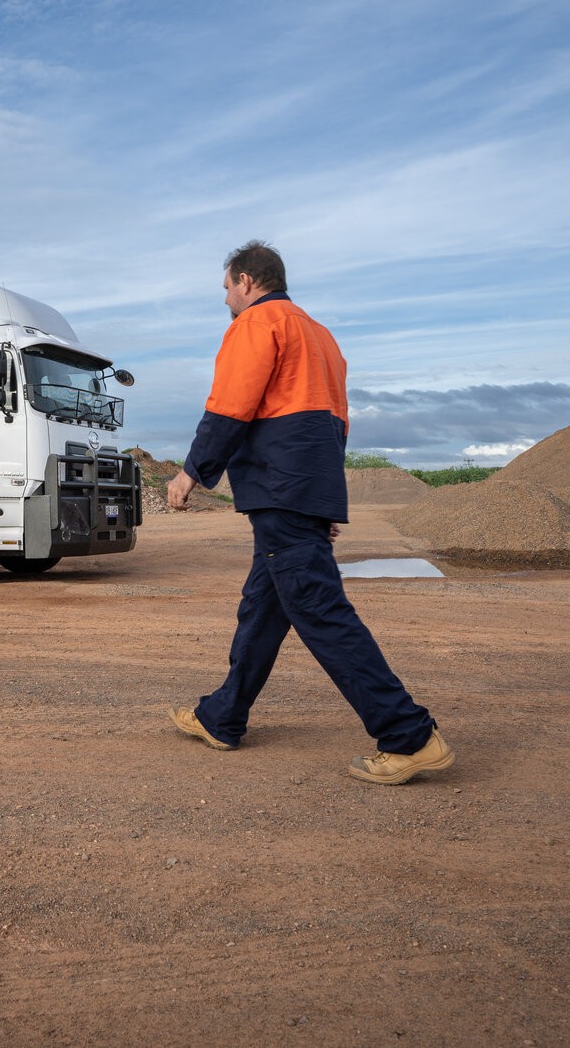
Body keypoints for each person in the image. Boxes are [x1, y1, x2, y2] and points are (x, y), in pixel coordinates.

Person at [165, 241, 452, 784]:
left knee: (320, 611)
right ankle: (222, 716)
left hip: (279, 488)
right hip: (301, 487)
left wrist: (192, 472)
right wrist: (323, 499)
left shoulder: (258, 323)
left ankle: (408, 736)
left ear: (247, 281)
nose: (225, 298)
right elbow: (335, 423)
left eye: (226, 287)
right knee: (264, 607)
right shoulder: (319, 335)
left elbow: (230, 405)